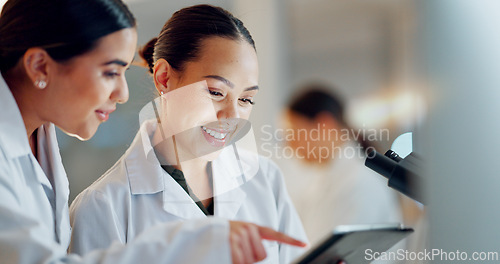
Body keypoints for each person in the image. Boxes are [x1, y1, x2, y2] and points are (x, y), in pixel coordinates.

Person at [0, 1, 305, 264]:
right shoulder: (103, 203)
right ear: (164, 79)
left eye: (247, 99)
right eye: (214, 92)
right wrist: (187, 243)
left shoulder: (265, 179)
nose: (122, 92)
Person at [278, 85, 402, 244]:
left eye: (292, 133)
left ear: (324, 124)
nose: (289, 145)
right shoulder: (323, 179)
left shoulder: (359, 182)